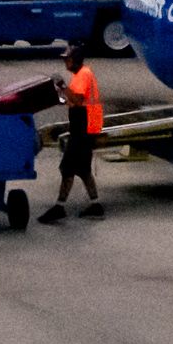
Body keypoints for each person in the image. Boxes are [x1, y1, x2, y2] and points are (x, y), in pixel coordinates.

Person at [40, 42, 105, 223]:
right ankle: (96, 205)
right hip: (84, 126)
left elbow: (77, 99)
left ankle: (59, 207)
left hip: (83, 128)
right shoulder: (80, 75)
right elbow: (73, 100)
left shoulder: (83, 74)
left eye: (67, 60)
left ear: (75, 60)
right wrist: (61, 92)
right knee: (83, 168)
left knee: (67, 167)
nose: (65, 63)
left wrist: (61, 85)